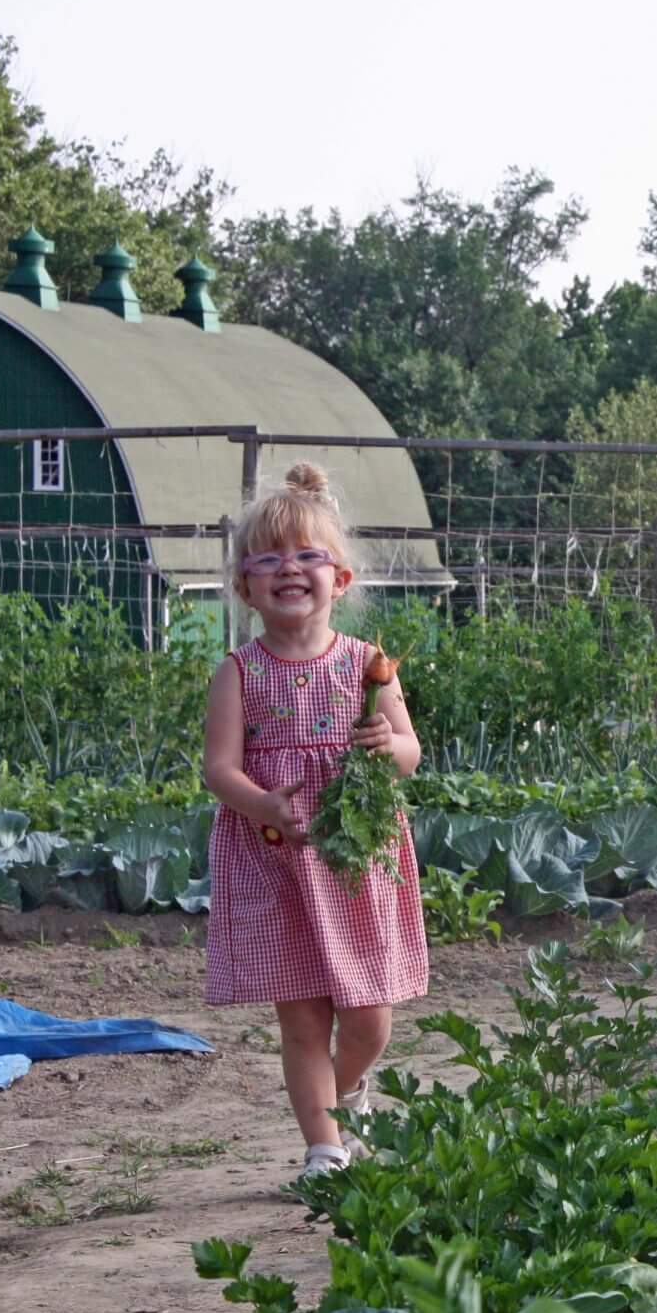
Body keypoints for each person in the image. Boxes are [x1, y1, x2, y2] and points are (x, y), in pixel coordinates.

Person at [200, 463, 426, 1177]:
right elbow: (219, 769)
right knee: (301, 1016)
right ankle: (324, 1149)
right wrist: (262, 802)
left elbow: (411, 752)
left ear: (342, 579)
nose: (287, 568)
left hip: (354, 860)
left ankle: (344, 1090)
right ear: (245, 586)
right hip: (275, 861)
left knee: (370, 1018)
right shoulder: (239, 671)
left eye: (306, 555)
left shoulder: (368, 667)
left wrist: (387, 746)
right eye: (267, 558)